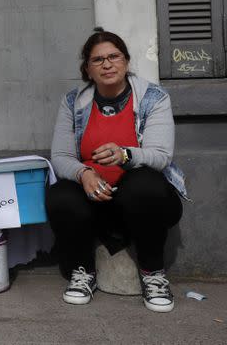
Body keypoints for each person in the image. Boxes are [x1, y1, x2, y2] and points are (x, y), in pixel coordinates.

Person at [47, 28, 186, 313]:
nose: (107, 64)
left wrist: (125, 154)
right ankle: (82, 270)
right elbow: (60, 156)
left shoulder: (153, 98)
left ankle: (153, 273)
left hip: (143, 203)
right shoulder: (73, 102)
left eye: (114, 57)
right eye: (98, 60)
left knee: (144, 183)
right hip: (94, 201)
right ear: (87, 68)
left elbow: (161, 156)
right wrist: (84, 173)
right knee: (60, 193)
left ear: (126, 61)